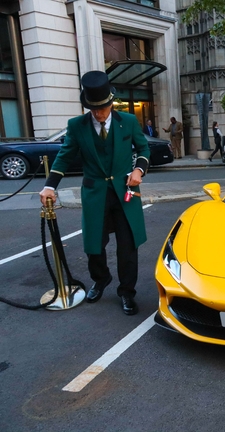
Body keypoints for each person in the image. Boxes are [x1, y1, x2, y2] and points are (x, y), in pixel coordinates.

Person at [39, 70, 150, 316]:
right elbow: (64, 157)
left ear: (111, 102)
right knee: (94, 246)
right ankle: (101, 280)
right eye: (94, 109)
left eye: (103, 108)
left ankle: (127, 292)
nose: (99, 114)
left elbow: (143, 149)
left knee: (128, 245)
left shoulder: (128, 122)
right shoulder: (76, 126)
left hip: (125, 193)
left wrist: (139, 170)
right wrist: (49, 186)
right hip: (94, 193)